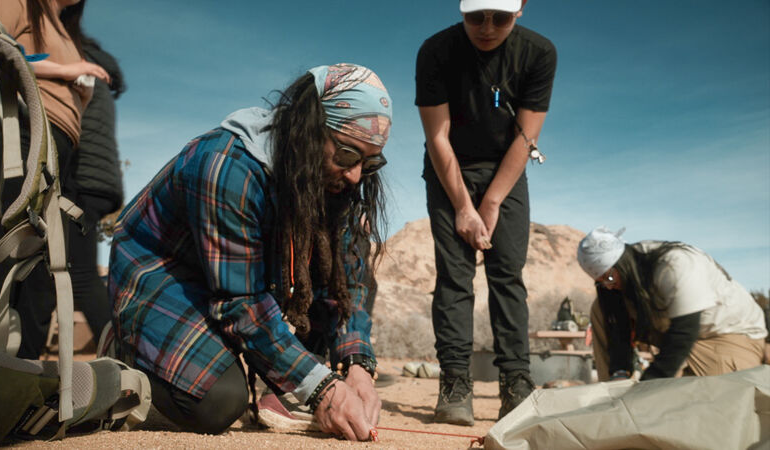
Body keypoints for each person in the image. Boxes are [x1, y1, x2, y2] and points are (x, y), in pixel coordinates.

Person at [107, 64, 392, 441]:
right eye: (346, 154)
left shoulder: (333, 182)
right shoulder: (228, 167)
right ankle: (130, 347)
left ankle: (273, 374)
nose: (356, 175)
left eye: (370, 163)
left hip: (234, 286)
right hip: (163, 278)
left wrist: (356, 366)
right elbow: (242, 303)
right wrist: (323, 389)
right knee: (219, 402)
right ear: (308, 131)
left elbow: (346, 282)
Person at [415, 0, 557, 425]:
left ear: (521, 9)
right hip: (449, 169)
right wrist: (463, 206)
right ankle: (455, 384)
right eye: (476, 16)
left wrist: (491, 201)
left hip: (506, 171)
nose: (488, 27)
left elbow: (527, 135)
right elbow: (437, 136)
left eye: (501, 16)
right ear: (462, 10)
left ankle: (516, 383)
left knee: (507, 275)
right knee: (455, 275)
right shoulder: (435, 51)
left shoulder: (539, 53)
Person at [0, 0, 111, 358]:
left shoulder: (63, 29)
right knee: (2, 250)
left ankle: (22, 370)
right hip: (27, 131)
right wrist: (66, 69)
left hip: (62, 151)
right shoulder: (21, 3)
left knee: (44, 272)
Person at [577, 226, 768, 381]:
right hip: (675, 335)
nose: (608, 285)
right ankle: (615, 386)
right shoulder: (616, 283)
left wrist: (650, 383)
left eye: (609, 277)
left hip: (725, 335)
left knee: (709, 408)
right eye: (600, 281)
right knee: (601, 308)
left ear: (624, 263)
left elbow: (685, 332)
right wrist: (619, 370)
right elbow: (618, 327)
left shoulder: (675, 264)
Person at [67, 35, 126, 344]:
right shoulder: (96, 68)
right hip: (101, 180)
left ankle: (121, 355)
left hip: (81, 177)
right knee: (70, 273)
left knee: (79, 275)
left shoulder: (74, 63)